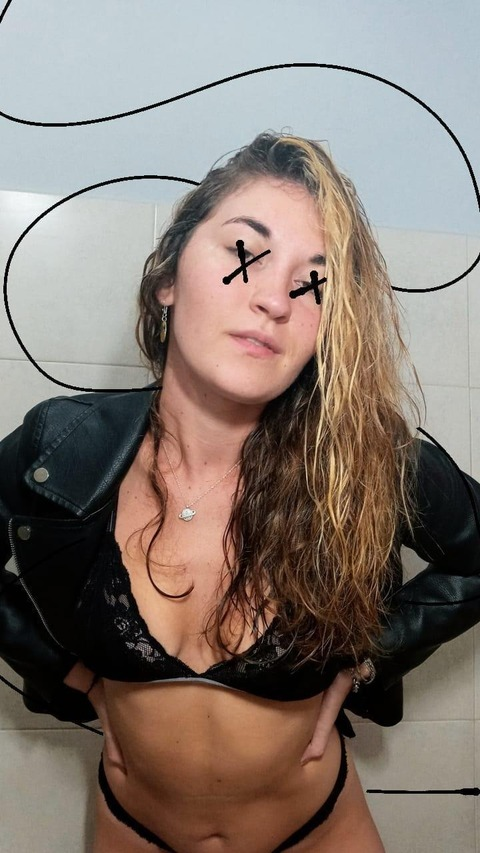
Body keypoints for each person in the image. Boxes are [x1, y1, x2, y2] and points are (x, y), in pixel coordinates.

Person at [1, 132, 480, 852]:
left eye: (313, 282)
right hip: (132, 830)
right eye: (244, 251)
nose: (274, 299)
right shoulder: (59, 447)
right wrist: (64, 672)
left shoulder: (365, 461)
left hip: (319, 832)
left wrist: (372, 657)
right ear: (167, 277)